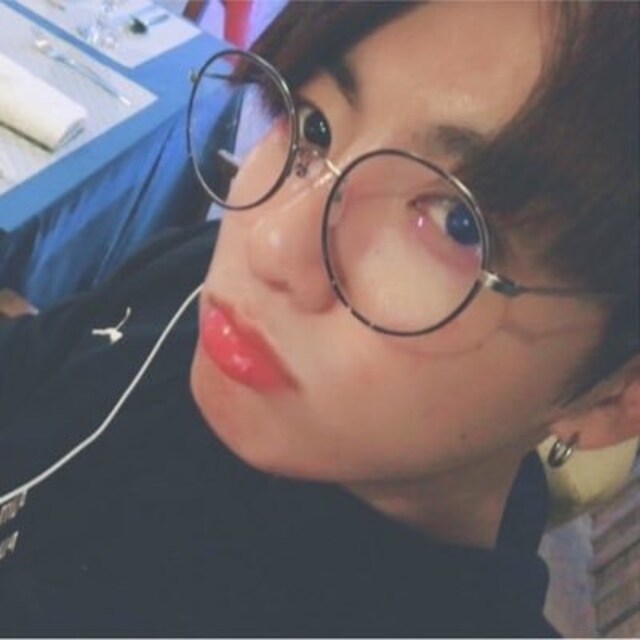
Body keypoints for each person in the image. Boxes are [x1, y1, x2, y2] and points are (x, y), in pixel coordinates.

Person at [0, 1, 638, 636]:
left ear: (614, 395)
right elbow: (38, 357)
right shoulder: (208, 293)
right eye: (316, 126)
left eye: (457, 224)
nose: (270, 238)